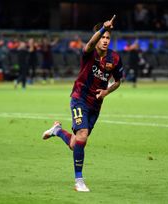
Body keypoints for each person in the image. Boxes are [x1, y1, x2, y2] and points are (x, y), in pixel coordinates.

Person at [42, 15, 123, 192]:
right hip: (79, 98)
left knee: (76, 143)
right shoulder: (89, 53)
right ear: (97, 37)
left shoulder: (115, 58)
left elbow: (117, 81)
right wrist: (103, 27)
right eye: (102, 37)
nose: (105, 40)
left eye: (108, 38)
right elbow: (89, 44)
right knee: (83, 135)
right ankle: (79, 181)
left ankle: (57, 131)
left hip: (96, 104)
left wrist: (106, 91)